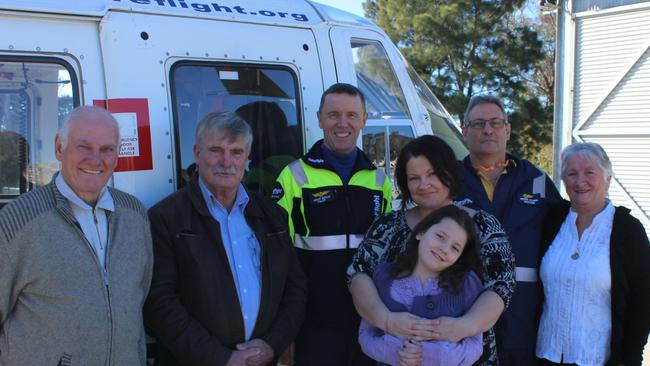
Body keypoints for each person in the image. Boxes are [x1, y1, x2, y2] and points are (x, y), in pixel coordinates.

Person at [144, 112, 307, 366]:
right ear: (197, 152)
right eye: (216, 150)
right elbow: (159, 304)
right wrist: (222, 359)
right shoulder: (165, 218)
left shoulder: (273, 216)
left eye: (236, 152)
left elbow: (295, 289)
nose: (226, 161)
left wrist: (273, 344)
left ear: (247, 158)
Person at [0, 106, 153, 365]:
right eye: (84, 147)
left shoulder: (135, 215)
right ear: (60, 148)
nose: (96, 160)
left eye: (107, 149)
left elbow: (141, 294)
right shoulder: (19, 219)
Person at [348, 135, 515, 365]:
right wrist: (386, 320)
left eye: (432, 174)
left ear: (449, 172)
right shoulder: (387, 227)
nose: (423, 184)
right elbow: (358, 274)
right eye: (414, 178)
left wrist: (462, 327)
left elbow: (501, 285)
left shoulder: (484, 226)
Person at [272, 83, 393, 365]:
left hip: (368, 319)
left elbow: (388, 254)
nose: (342, 123)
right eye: (333, 114)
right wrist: (282, 330)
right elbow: (276, 257)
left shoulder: (378, 181)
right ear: (319, 118)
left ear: (364, 120)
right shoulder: (293, 176)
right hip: (312, 322)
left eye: (352, 115)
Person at [457, 94, 561, 365]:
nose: (488, 129)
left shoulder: (536, 181)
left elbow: (564, 237)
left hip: (524, 315)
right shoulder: (447, 180)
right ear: (464, 130)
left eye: (495, 122)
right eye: (478, 123)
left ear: (508, 129)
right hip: (463, 310)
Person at [537, 142, 650, 366]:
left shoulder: (627, 230)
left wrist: (629, 359)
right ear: (563, 180)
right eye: (572, 173)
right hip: (545, 355)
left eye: (590, 172)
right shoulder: (551, 221)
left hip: (598, 359)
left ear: (608, 177)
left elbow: (643, 302)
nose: (580, 182)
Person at [359, 205, 485, 366]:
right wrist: (399, 353)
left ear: (459, 257)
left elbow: (475, 345)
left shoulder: (467, 285)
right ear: (421, 232)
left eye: (455, 248)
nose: (445, 249)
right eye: (440, 236)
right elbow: (366, 335)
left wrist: (433, 355)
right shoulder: (384, 276)